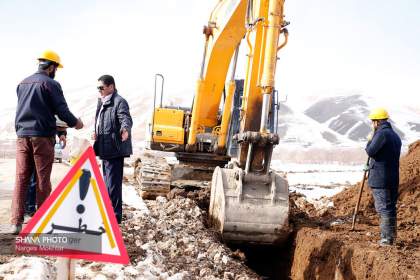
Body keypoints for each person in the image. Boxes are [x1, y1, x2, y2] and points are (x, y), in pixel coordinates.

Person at [12, 50, 83, 234]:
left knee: (21, 179)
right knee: (43, 180)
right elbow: (61, 111)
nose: (55, 72)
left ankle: (15, 222)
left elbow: (38, 110)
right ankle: (42, 222)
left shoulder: (22, 83)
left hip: (22, 136)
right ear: (51, 67)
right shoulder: (51, 84)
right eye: (56, 69)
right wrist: (76, 123)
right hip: (42, 137)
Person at [93, 75, 133, 224]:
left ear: (111, 87)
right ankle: (109, 214)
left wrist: (125, 129)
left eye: (101, 87)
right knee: (107, 184)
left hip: (114, 149)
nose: (99, 90)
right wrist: (96, 132)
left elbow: (125, 118)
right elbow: (101, 122)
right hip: (105, 149)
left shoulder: (119, 102)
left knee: (113, 185)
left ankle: (115, 217)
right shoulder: (102, 102)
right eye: (98, 88)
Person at [365, 108, 402, 246]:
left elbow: (370, 151)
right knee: (390, 206)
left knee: (383, 208)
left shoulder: (381, 134)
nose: (371, 124)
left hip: (381, 179)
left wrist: (370, 140)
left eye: (372, 121)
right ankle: (391, 236)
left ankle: (386, 239)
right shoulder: (395, 135)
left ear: (376, 122)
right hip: (392, 177)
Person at [24, 117, 68, 217]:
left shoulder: (49, 104)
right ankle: (30, 209)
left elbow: (59, 120)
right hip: (33, 141)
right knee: (34, 179)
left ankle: (34, 208)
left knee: (41, 179)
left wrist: (62, 134)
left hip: (44, 144)